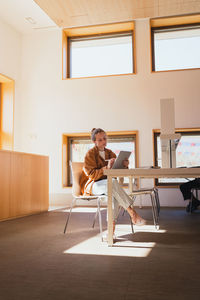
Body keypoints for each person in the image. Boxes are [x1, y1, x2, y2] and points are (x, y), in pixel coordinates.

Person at [79, 128, 146, 232]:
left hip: (109, 185)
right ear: (94, 142)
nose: (103, 141)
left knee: (113, 195)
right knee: (112, 184)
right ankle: (132, 213)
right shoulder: (90, 154)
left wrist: (124, 166)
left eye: (104, 138)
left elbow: (118, 172)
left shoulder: (110, 153)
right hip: (93, 185)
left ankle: (111, 231)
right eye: (100, 140)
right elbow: (91, 175)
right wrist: (106, 168)